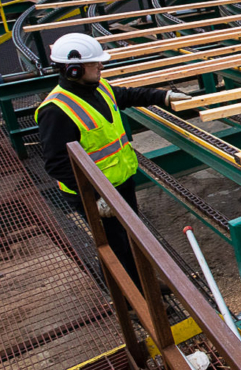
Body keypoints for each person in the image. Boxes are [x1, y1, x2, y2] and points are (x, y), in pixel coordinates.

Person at [35, 33, 190, 284]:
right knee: (115, 245)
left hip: (119, 181)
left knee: (132, 237)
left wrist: (164, 96)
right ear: (72, 69)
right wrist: (94, 197)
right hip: (93, 193)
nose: (101, 66)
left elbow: (128, 95)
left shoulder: (99, 88)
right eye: (94, 63)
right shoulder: (57, 110)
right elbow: (57, 164)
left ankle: (144, 284)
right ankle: (130, 299)